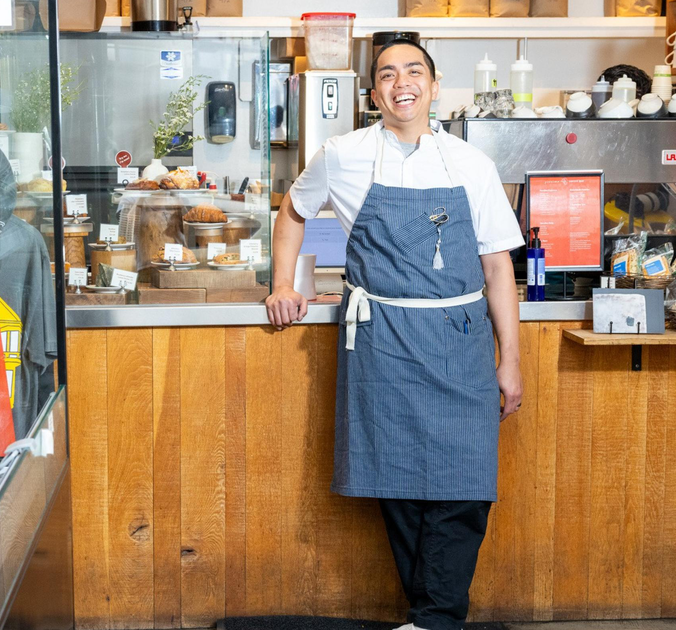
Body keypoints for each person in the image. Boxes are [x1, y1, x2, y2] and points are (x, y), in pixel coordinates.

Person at [264, 40, 524, 630]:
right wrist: (285, 282)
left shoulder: (471, 164)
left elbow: (497, 268)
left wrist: (510, 359)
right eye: (387, 75)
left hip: (460, 340)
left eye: (414, 72)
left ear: (434, 87)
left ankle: (434, 618)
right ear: (373, 92)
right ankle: (432, 618)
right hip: (382, 338)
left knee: (466, 483)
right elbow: (293, 211)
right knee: (398, 483)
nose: (400, 83)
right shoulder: (342, 155)